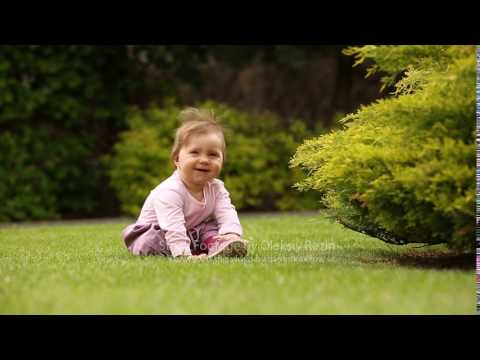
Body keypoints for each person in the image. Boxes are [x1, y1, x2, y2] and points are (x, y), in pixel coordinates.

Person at [121, 107, 248, 260]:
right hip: (157, 232)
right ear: (177, 159)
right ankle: (183, 250)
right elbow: (173, 227)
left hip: (190, 231)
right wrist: (184, 255)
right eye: (195, 152)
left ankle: (222, 245)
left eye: (213, 154)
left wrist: (230, 234)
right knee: (151, 240)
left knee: (209, 226)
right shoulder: (170, 191)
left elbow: (227, 213)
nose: (204, 160)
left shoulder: (217, 188)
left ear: (222, 161)